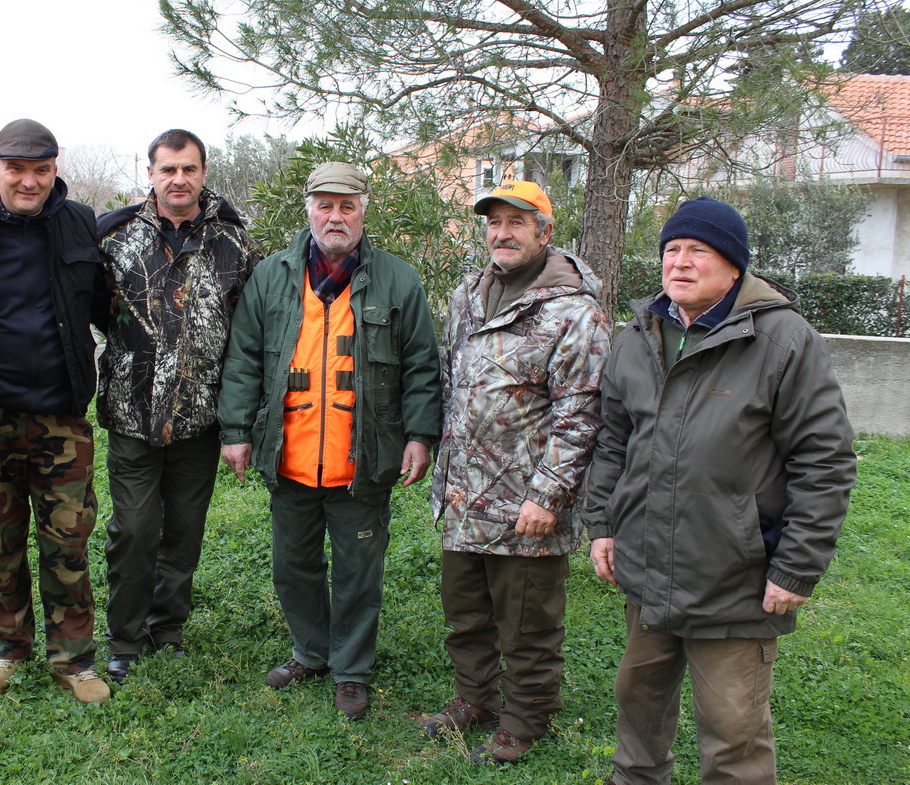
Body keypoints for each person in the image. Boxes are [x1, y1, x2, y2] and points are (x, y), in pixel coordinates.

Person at [582, 197, 857, 784]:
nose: (678, 263)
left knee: (734, 733)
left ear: (734, 265)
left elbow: (825, 461)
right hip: (650, 568)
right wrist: (602, 524)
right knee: (639, 704)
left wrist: (797, 566)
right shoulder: (640, 335)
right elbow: (613, 442)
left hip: (736, 575)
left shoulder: (782, 341)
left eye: (696, 251)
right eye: (671, 250)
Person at [217, 161, 442, 719]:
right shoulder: (271, 276)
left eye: (347, 205)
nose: (335, 216)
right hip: (288, 455)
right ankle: (310, 652)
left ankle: (351, 669)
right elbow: (244, 357)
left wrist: (419, 434)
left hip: (362, 457)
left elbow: (421, 365)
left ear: (364, 209)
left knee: (358, 571)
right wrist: (236, 431)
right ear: (309, 209)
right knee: (292, 567)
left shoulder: (399, 280)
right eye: (325, 205)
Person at [422, 182, 611, 763]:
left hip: (526, 505)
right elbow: (450, 384)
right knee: (466, 614)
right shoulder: (468, 296)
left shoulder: (574, 312)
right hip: (463, 496)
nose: (501, 232)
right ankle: (474, 698)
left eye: (516, 222)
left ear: (545, 232)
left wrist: (549, 496)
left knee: (527, 624)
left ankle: (526, 718)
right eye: (493, 222)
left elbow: (581, 413)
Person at [0, 119, 110, 704]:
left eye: (40, 170)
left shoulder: (82, 224)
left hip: (60, 415)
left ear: (55, 170)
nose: (28, 182)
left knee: (68, 539)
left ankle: (74, 659)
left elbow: (109, 306)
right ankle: (8, 646)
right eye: (15, 170)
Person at [96, 129, 261, 683]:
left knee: (184, 533)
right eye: (168, 169)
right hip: (131, 415)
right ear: (150, 173)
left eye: (188, 169)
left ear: (203, 171)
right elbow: (96, 311)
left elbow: (248, 331)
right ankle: (124, 638)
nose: (178, 180)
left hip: (200, 419)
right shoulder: (115, 236)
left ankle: (167, 631)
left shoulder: (235, 241)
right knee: (135, 531)